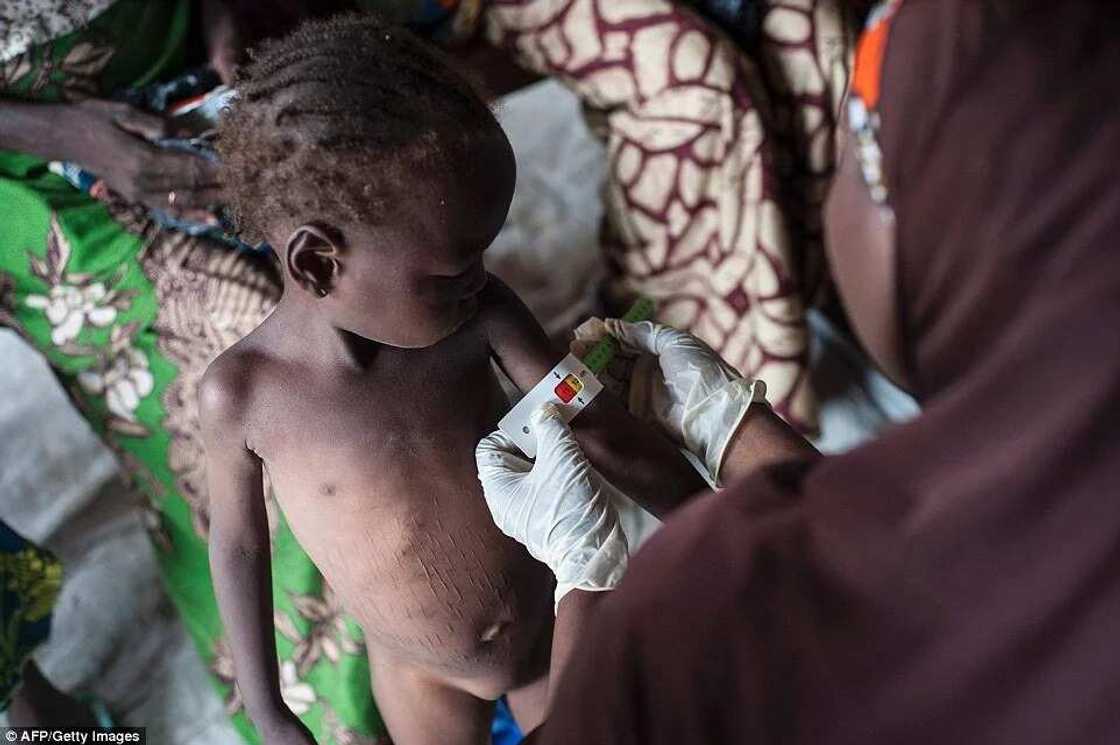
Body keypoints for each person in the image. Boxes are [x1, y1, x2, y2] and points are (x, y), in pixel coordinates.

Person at [476, 1, 1120, 742]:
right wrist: (730, 434)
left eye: (852, 155)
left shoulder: (663, 657)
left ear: (926, 215)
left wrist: (584, 579)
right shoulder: (1020, 486)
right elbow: (854, 588)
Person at [202, 14, 705, 745]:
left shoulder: (480, 316)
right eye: (451, 271)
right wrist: (270, 710)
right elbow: (240, 544)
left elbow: (590, 421)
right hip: (420, 675)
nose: (480, 280)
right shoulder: (245, 397)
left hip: (543, 631)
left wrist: (715, 515)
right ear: (318, 265)